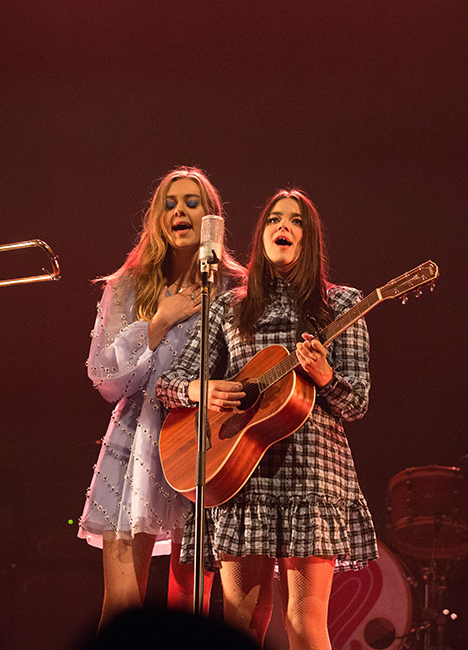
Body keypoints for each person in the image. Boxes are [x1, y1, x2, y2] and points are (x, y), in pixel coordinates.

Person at [157, 189, 377, 650]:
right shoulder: (229, 306)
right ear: (261, 235)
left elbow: (356, 404)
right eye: (274, 219)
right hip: (238, 471)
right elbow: (169, 383)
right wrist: (203, 389)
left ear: (309, 237)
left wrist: (325, 376)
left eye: (295, 222)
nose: (283, 227)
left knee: (304, 621)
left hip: (312, 476)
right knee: (241, 622)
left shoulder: (343, 305)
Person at [78, 167, 245, 629]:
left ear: (211, 217)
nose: (179, 212)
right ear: (156, 218)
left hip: (203, 445)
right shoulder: (129, 286)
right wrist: (158, 322)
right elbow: (104, 378)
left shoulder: (235, 287)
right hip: (137, 446)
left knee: (189, 604)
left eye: (191, 203)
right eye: (170, 204)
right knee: (122, 610)